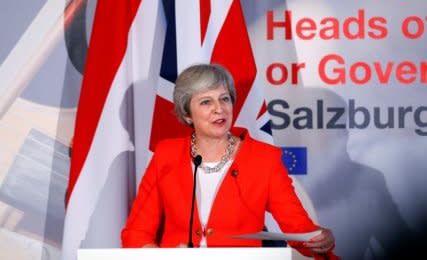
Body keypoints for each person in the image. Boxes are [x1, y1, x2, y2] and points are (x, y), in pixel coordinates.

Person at [121, 64, 339, 259]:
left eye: (224, 98)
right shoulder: (166, 154)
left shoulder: (264, 158)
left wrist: (319, 240)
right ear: (187, 115)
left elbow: (298, 229)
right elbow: (137, 233)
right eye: (206, 102)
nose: (219, 108)